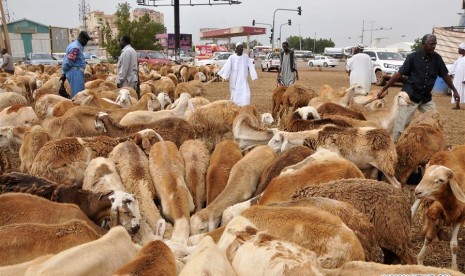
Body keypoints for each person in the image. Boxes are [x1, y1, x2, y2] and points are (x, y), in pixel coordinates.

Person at [377, 34, 460, 142]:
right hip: (410, 97)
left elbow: (445, 75)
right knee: (401, 124)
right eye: (431, 44)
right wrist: (383, 89)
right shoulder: (413, 57)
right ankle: (395, 145)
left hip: (425, 98)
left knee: (435, 120)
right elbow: (399, 74)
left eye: (435, 44)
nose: (434, 46)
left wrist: (454, 90)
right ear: (423, 44)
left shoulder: (437, 59)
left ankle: (434, 144)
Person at [61, 31, 92, 97]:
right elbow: (69, 61)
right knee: (77, 96)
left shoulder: (73, 45)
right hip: (75, 73)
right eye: (86, 41)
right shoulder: (76, 48)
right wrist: (64, 72)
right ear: (82, 39)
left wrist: (64, 73)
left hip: (75, 72)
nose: (86, 43)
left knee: (78, 94)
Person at [448, 43, 465, 110]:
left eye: (459, 49)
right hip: (458, 78)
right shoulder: (459, 58)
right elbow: (453, 67)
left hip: (463, 78)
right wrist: (448, 73)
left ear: (463, 50)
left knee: (464, 91)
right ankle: (457, 104)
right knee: (456, 90)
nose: (458, 50)